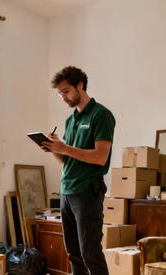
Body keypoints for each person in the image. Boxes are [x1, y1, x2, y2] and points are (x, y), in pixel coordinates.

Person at [40, 66, 115, 275]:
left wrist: (64, 147)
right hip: (67, 191)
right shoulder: (70, 120)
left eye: (66, 91)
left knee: (90, 252)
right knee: (73, 253)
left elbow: (100, 157)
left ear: (80, 85)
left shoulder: (101, 115)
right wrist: (54, 148)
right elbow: (67, 160)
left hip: (87, 192)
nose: (63, 97)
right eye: (60, 94)